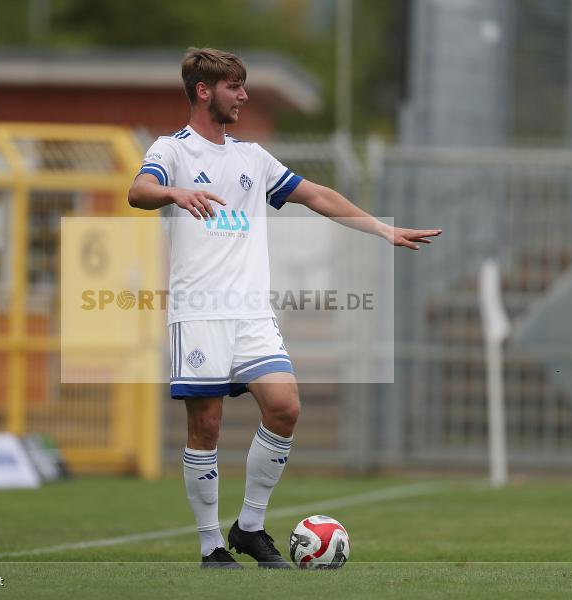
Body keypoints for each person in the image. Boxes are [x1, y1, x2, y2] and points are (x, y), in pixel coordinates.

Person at [127, 47, 441, 569]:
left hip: (252, 313)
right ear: (204, 91)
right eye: (234, 87)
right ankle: (211, 546)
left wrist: (383, 229)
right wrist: (174, 193)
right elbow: (138, 191)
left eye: (244, 86)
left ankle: (249, 527)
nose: (244, 96)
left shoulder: (253, 158)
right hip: (200, 311)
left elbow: (316, 195)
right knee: (206, 427)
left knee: (286, 406)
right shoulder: (171, 149)